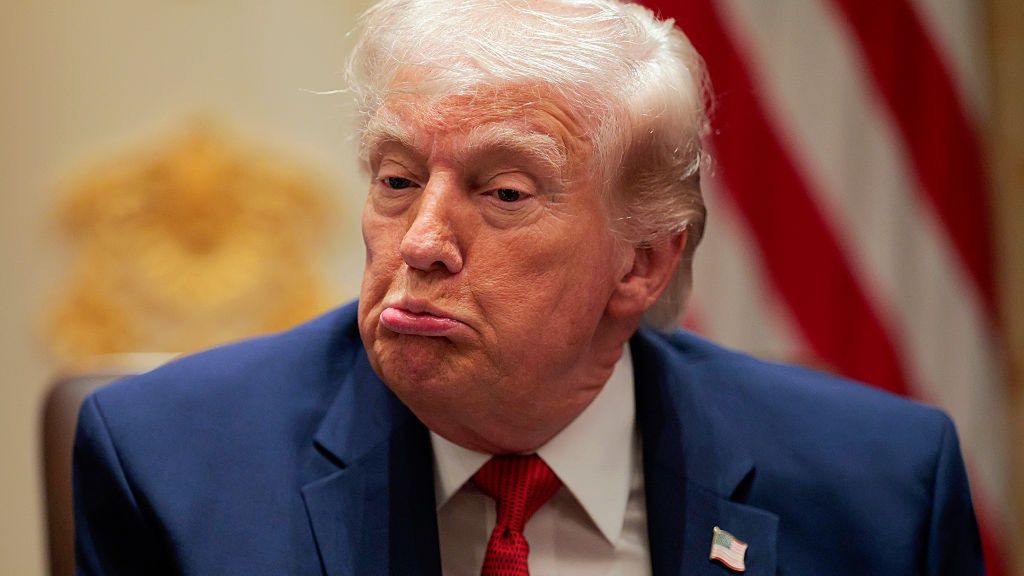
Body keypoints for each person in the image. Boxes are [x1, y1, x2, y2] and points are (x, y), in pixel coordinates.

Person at [73, 0, 983, 574]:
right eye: (397, 179)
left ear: (642, 263)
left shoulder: (882, 491)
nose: (420, 242)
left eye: (504, 193)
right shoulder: (169, 466)